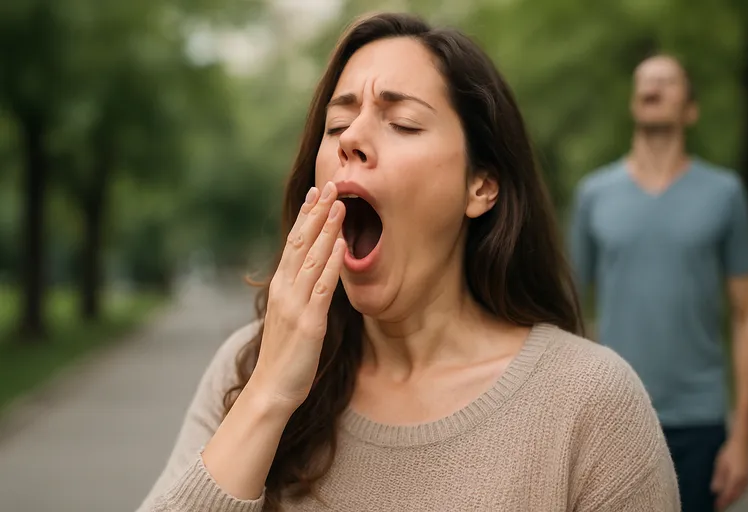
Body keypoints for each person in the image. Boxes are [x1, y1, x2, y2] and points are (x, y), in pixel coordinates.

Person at [138, 13, 680, 511]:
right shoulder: (247, 368)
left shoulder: (590, 403)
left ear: (480, 185)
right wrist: (269, 394)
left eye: (403, 123)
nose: (351, 138)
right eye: (336, 125)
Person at [569, 54, 748, 512]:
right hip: (615, 417)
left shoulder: (725, 194)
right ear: (634, 102)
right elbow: (567, 313)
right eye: (645, 80)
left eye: (667, 80)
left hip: (699, 419)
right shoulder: (594, 194)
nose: (653, 85)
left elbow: (747, 315)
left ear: (690, 110)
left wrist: (742, 436)